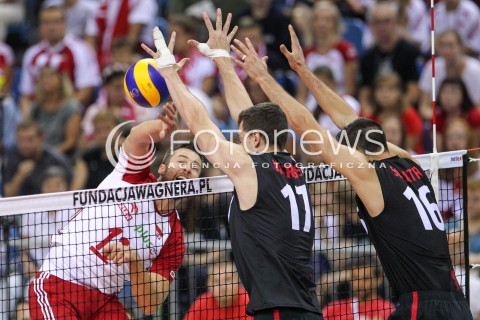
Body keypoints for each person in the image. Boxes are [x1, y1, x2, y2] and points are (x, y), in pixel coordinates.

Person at [232, 24, 473, 319]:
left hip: (422, 306)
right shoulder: (407, 161)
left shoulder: (372, 176)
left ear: (358, 154)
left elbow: (307, 128)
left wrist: (261, 77)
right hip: (456, 300)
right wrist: (303, 71)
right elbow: (351, 119)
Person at [142, 9, 323, 319]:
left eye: (241, 138)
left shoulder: (252, 168)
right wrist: (222, 59)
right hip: (304, 307)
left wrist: (170, 72)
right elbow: (247, 117)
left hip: (278, 310)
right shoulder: (290, 164)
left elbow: (200, 123)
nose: (237, 142)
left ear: (254, 141)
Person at [28, 103, 204, 318]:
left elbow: (150, 304)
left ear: (196, 183)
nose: (188, 168)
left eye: (195, 168)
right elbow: (137, 137)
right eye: (182, 161)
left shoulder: (173, 237)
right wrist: (159, 127)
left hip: (104, 300)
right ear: (162, 168)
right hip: (60, 283)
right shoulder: (133, 178)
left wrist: (135, 262)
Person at [4, 120, 72, 197]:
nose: (25, 145)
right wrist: (20, 176)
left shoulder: (57, 160)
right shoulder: (12, 158)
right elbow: (7, 196)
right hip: (22, 207)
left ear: (40, 138)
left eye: (30, 139)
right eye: (21, 140)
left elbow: (72, 191)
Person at [322, 255, 395, 320]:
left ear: (378, 279)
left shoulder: (387, 309)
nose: (359, 284)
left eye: (365, 278)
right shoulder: (332, 309)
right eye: (355, 278)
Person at [183, 256, 252, 320]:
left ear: (237, 280)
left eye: (227, 279)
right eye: (216, 281)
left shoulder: (249, 302)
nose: (222, 286)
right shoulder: (201, 303)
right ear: (208, 284)